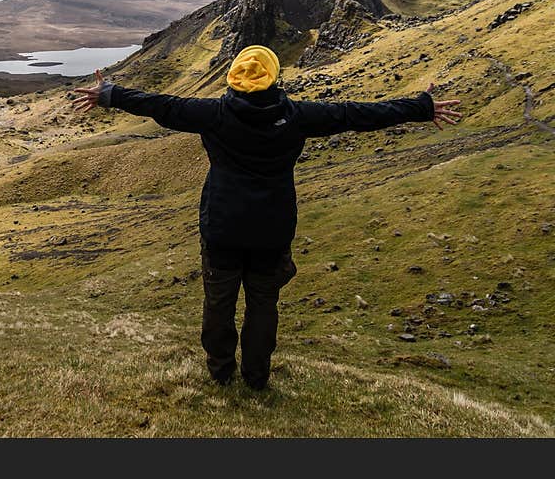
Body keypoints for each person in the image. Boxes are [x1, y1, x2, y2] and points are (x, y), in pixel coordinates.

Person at [71, 45, 462, 390]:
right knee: (263, 304)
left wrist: (111, 94)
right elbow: (355, 115)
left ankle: (220, 371)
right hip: (272, 230)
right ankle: (256, 377)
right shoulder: (297, 116)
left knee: (218, 303)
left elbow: (163, 106)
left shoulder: (213, 113)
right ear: (274, 77)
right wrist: (420, 107)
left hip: (222, 227)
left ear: (233, 78)